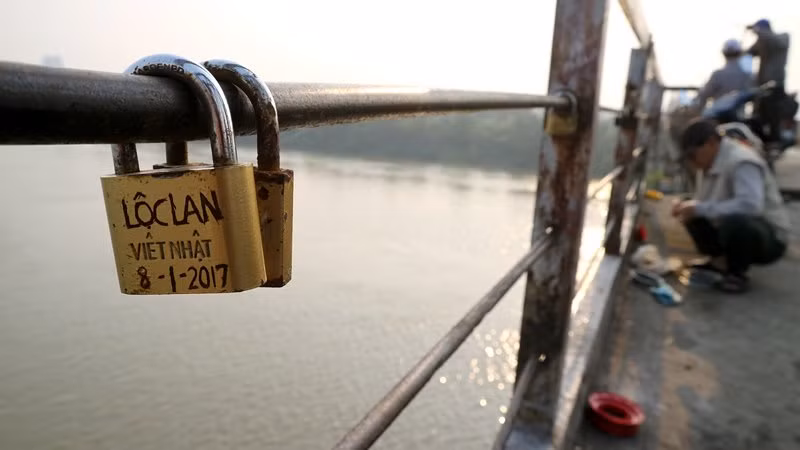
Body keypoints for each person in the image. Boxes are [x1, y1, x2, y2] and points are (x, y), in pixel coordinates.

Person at [673, 118, 790, 293]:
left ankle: (737, 274)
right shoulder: (709, 163)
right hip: (740, 226)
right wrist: (688, 206)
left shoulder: (741, 161)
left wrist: (699, 208)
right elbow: (706, 204)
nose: (692, 161)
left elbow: (751, 206)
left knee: (736, 221)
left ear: (711, 143)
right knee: (690, 209)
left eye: (693, 154)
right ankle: (718, 262)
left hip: (769, 238)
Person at [746, 19, 791, 141]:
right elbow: (748, 53)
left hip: (776, 85)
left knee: (773, 115)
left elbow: (772, 40)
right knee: (758, 115)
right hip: (761, 87)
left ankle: (775, 143)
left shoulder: (782, 38)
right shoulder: (762, 42)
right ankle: (762, 142)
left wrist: (757, 30)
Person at [694, 39, 753, 111]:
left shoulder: (718, 75)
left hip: (719, 118)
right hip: (740, 118)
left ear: (724, 54)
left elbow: (703, 95)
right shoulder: (747, 76)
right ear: (740, 54)